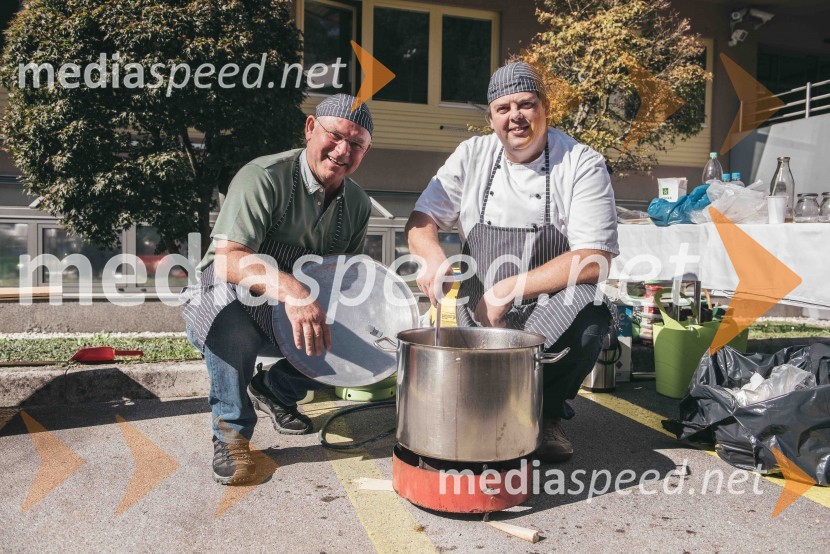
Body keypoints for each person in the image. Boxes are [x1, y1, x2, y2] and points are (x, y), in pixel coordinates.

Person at [406, 62, 618, 463]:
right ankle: (469, 410)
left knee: (593, 315)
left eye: (525, 104)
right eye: (503, 108)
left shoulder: (581, 162)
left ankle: (546, 413)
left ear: (545, 108)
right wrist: (433, 259)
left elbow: (594, 259)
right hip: (475, 298)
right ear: (491, 118)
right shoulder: (472, 155)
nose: (515, 116)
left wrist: (510, 288)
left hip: (546, 303)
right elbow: (421, 221)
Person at [181, 94, 373, 485]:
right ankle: (232, 436)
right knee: (230, 322)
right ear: (309, 129)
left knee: (358, 348)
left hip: (286, 311)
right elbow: (229, 259)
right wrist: (296, 293)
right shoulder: (264, 176)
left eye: (357, 144)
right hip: (226, 295)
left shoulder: (358, 204)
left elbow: (343, 277)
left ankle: (274, 388)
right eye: (336, 136)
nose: (342, 151)